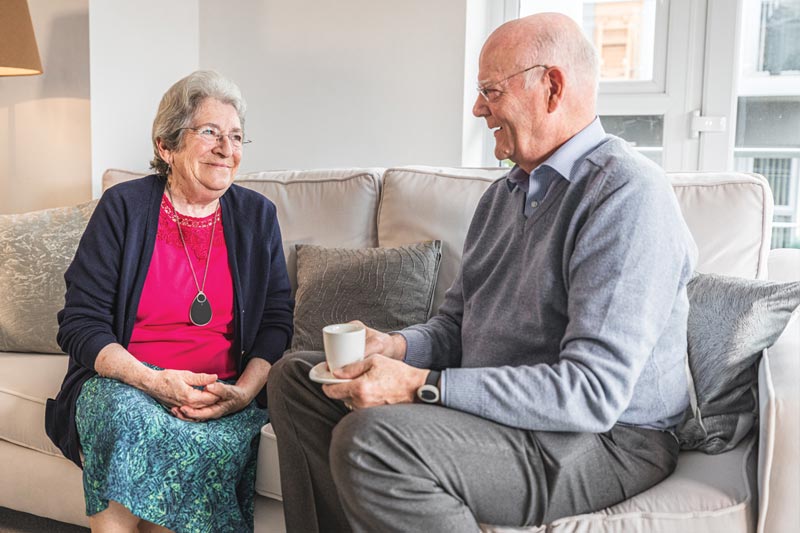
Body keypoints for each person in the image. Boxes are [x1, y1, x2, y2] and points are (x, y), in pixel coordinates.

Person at [267, 12, 698, 533]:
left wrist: (420, 386)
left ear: (552, 87)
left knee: (372, 442)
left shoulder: (626, 194)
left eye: (490, 91)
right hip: (504, 418)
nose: (478, 108)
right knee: (296, 378)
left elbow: (591, 394)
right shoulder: (504, 196)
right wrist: (395, 348)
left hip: (605, 440)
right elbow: (454, 327)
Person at [45, 70, 294, 532]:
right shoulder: (123, 208)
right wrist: (151, 382)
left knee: (181, 460)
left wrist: (243, 394)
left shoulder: (257, 217)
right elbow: (80, 323)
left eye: (236, 136)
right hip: (129, 385)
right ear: (166, 146)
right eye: (209, 132)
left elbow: (276, 323)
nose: (227, 148)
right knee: (125, 417)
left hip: (217, 397)